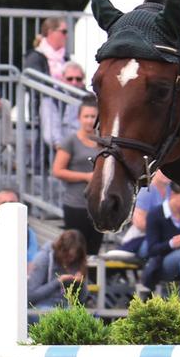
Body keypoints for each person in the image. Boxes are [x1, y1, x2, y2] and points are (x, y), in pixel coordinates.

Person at [52, 96, 102, 256]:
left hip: (98, 206)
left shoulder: (103, 141)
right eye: (86, 116)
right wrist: (86, 177)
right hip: (76, 205)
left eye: (93, 116)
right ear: (79, 118)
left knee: (94, 252)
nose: (89, 120)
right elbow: (58, 170)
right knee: (74, 251)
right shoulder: (70, 141)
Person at [27, 229, 89, 310]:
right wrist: (58, 281)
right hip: (41, 308)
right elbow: (30, 296)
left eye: (73, 257)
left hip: (66, 308)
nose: (70, 260)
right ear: (60, 249)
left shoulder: (78, 263)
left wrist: (80, 285)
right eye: (68, 256)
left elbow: (81, 302)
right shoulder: (43, 258)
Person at [118, 169, 172, 257]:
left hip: (166, 237)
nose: (165, 173)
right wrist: (166, 230)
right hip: (143, 237)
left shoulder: (172, 189)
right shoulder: (146, 190)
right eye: (161, 170)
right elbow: (139, 222)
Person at [40, 59, 85, 153]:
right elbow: (51, 131)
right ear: (62, 79)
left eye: (78, 79)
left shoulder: (91, 98)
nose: (74, 83)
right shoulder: (52, 98)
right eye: (70, 79)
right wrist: (65, 149)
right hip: (62, 151)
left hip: (88, 149)